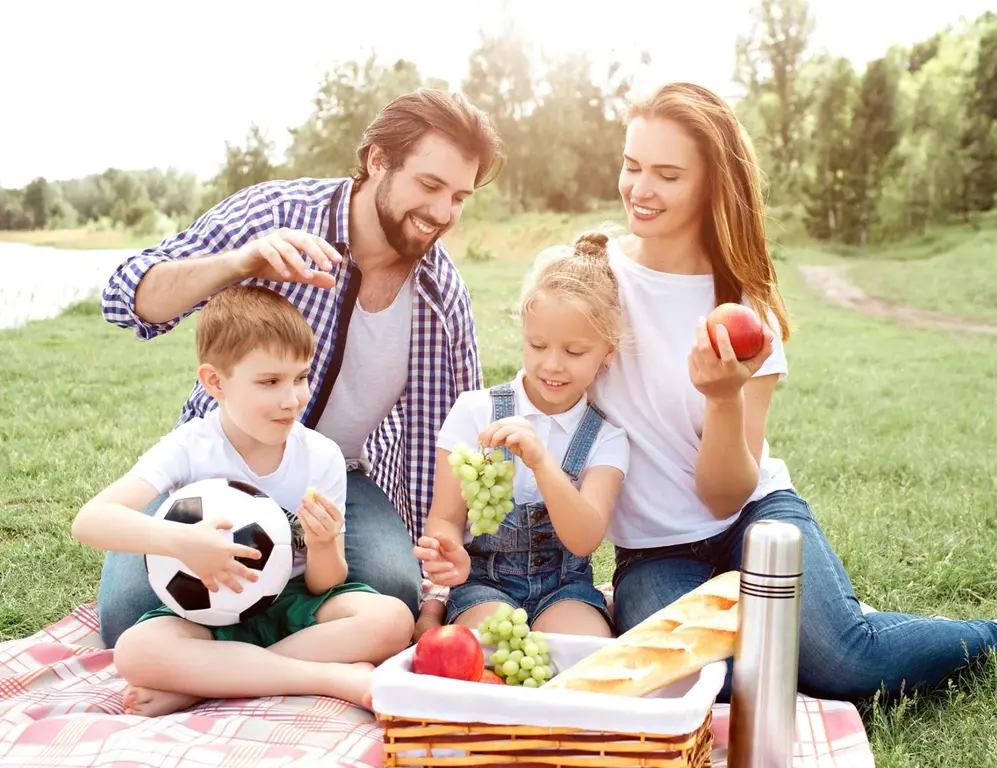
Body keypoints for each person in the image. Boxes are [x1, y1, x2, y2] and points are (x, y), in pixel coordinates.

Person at [590, 82, 997, 704]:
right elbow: (551, 403)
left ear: (713, 185)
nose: (639, 188)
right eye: (632, 166)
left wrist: (721, 399)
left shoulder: (743, 311)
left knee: (846, 667)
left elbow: (724, 493)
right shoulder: (591, 277)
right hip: (653, 550)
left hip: (753, 517)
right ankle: (822, 614)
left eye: (667, 174)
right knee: (714, 689)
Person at [94, 88, 504, 648]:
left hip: (337, 479)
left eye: (459, 196)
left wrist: (443, 549)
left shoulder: (441, 296)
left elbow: (451, 442)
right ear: (377, 161)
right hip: (221, 468)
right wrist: (240, 263)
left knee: (392, 589)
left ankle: (228, 657)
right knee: (127, 616)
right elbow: (125, 296)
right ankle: (273, 644)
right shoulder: (278, 215)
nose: (442, 212)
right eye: (429, 185)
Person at [72, 285, 414, 717]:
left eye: (300, 377)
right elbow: (90, 520)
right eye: (270, 382)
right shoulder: (190, 446)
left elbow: (323, 584)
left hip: (291, 604)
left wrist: (324, 544)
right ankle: (328, 677)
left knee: (392, 620)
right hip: (206, 614)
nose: (292, 399)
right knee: (136, 652)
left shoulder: (321, 455)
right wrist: (183, 542)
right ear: (215, 382)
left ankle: (210, 683)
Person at [413, 232, 628, 639]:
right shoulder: (475, 411)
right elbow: (444, 519)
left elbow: (584, 540)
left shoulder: (606, 438)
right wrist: (448, 552)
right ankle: (437, 604)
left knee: (581, 652)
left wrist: (542, 462)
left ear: (608, 352)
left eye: (575, 351)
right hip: (483, 585)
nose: (552, 364)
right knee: (487, 650)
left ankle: (433, 613)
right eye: (537, 344)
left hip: (564, 590)